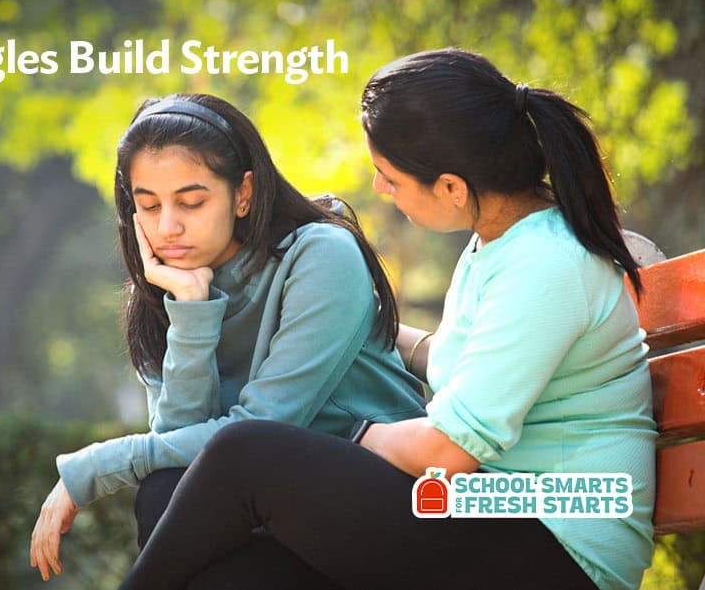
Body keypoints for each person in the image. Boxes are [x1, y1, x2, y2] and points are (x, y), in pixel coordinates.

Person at [114, 49, 657, 590]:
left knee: (244, 453)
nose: (378, 189)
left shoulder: (545, 265)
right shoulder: (501, 243)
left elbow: (448, 451)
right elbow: (459, 360)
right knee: (200, 532)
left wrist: (357, 432)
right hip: (490, 505)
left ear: (451, 187)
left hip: (559, 534)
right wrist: (338, 322)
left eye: (390, 177)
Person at [28, 93, 426, 581]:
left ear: (243, 194)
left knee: (189, 485)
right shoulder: (161, 296)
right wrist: (192, 311)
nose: (168, 227)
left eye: (191, 202)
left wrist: (99, 465)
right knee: (166, 492)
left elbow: (262, 430)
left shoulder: (321, 256)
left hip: (384, 502)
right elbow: (177, 444)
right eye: (148, 206)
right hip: (266, 515)